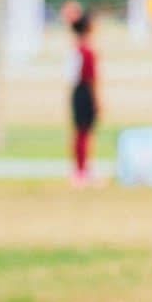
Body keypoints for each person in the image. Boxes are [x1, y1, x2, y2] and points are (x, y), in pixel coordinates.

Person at [67, 10, 99, 186]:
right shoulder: (86, 51)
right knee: (84, 133)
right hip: (85, 91)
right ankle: (82, 170)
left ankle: (80, 169)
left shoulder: (74, 48)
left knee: (79, 132)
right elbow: (91, 78)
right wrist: (97, 100)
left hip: (76, 91)